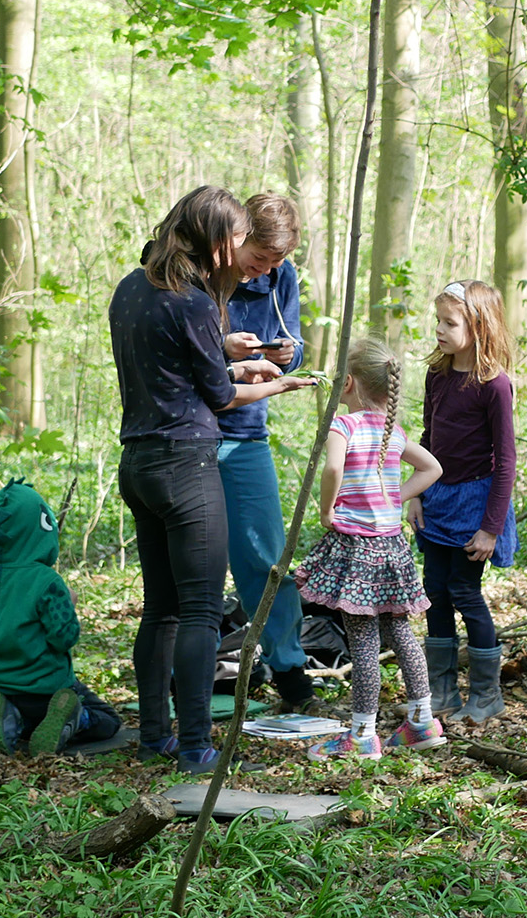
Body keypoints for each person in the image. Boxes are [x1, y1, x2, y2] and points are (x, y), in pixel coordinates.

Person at [108, 185, 316, 775]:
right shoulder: (195, 301)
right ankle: (197, 744)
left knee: (162, 610)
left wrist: (235, 359)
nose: (245, 247)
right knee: (200, 610)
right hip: (186, 464)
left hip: (139, 461)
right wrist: (275, 383)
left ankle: (155, 736)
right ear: (213, 238)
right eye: (238, 238)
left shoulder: (132, 287)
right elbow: (220, 396)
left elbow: (173, 366)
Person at [295, 338, 446, 760]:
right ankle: (422, 722)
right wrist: (394, 498)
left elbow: (333, 468)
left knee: (362, 642)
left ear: (348, 384)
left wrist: (328, 511)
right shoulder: (391, 431)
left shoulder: (343, 427)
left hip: (356, 548)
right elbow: (433, 467)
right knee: (401, 634)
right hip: (391, 547)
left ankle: (361, 736)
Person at [218, 191, 319, 714]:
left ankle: (289, 667)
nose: (263, 271)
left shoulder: (282, 278)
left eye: (274, 262)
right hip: (194, 432)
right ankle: (191, 671)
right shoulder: (203, 273)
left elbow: (294, 341)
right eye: (257, 258)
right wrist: (224, 350)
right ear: (236, 241)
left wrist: (287, 350)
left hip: (248, 432)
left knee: (266, 556)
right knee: (199, 563)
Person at [407, 280, 518, 724]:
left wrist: (490, 527)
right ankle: (443, 692)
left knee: (463, 592)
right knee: (434, 592)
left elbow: (506, 462)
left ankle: (487, 694)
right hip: (436, 498)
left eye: (449, 322)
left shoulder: (494, 386)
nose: (439, 329)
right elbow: (427, 440)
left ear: (478, 325)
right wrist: (414, 495)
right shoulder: (437, 375)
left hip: (476, 501)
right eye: (438, 320)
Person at [0, 479, 124, 756]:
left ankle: (9, 715)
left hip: (5, 684)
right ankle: (74, 718)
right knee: (108, 720)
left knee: (32, 722)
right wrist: (70, 603)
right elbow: (64, 637)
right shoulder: (46, 580)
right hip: (49, 686)